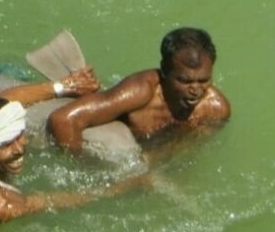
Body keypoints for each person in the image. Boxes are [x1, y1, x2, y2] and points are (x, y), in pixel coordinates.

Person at [0, 96, 148, 223]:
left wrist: (58, 87)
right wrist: (121, 188)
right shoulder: (0, 205)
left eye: (19, 136)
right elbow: (48, 201)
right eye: (5, 145)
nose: (19, 149)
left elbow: (7, 99)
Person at [47, 27, 230, 154]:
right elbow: (62, 120)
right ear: (165, 71)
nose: (196, 90)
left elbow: (186, 150)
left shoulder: (216, 109)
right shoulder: (141, 92)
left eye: (204, 80)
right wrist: (83, 167)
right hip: (113, 139)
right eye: (184, 80)